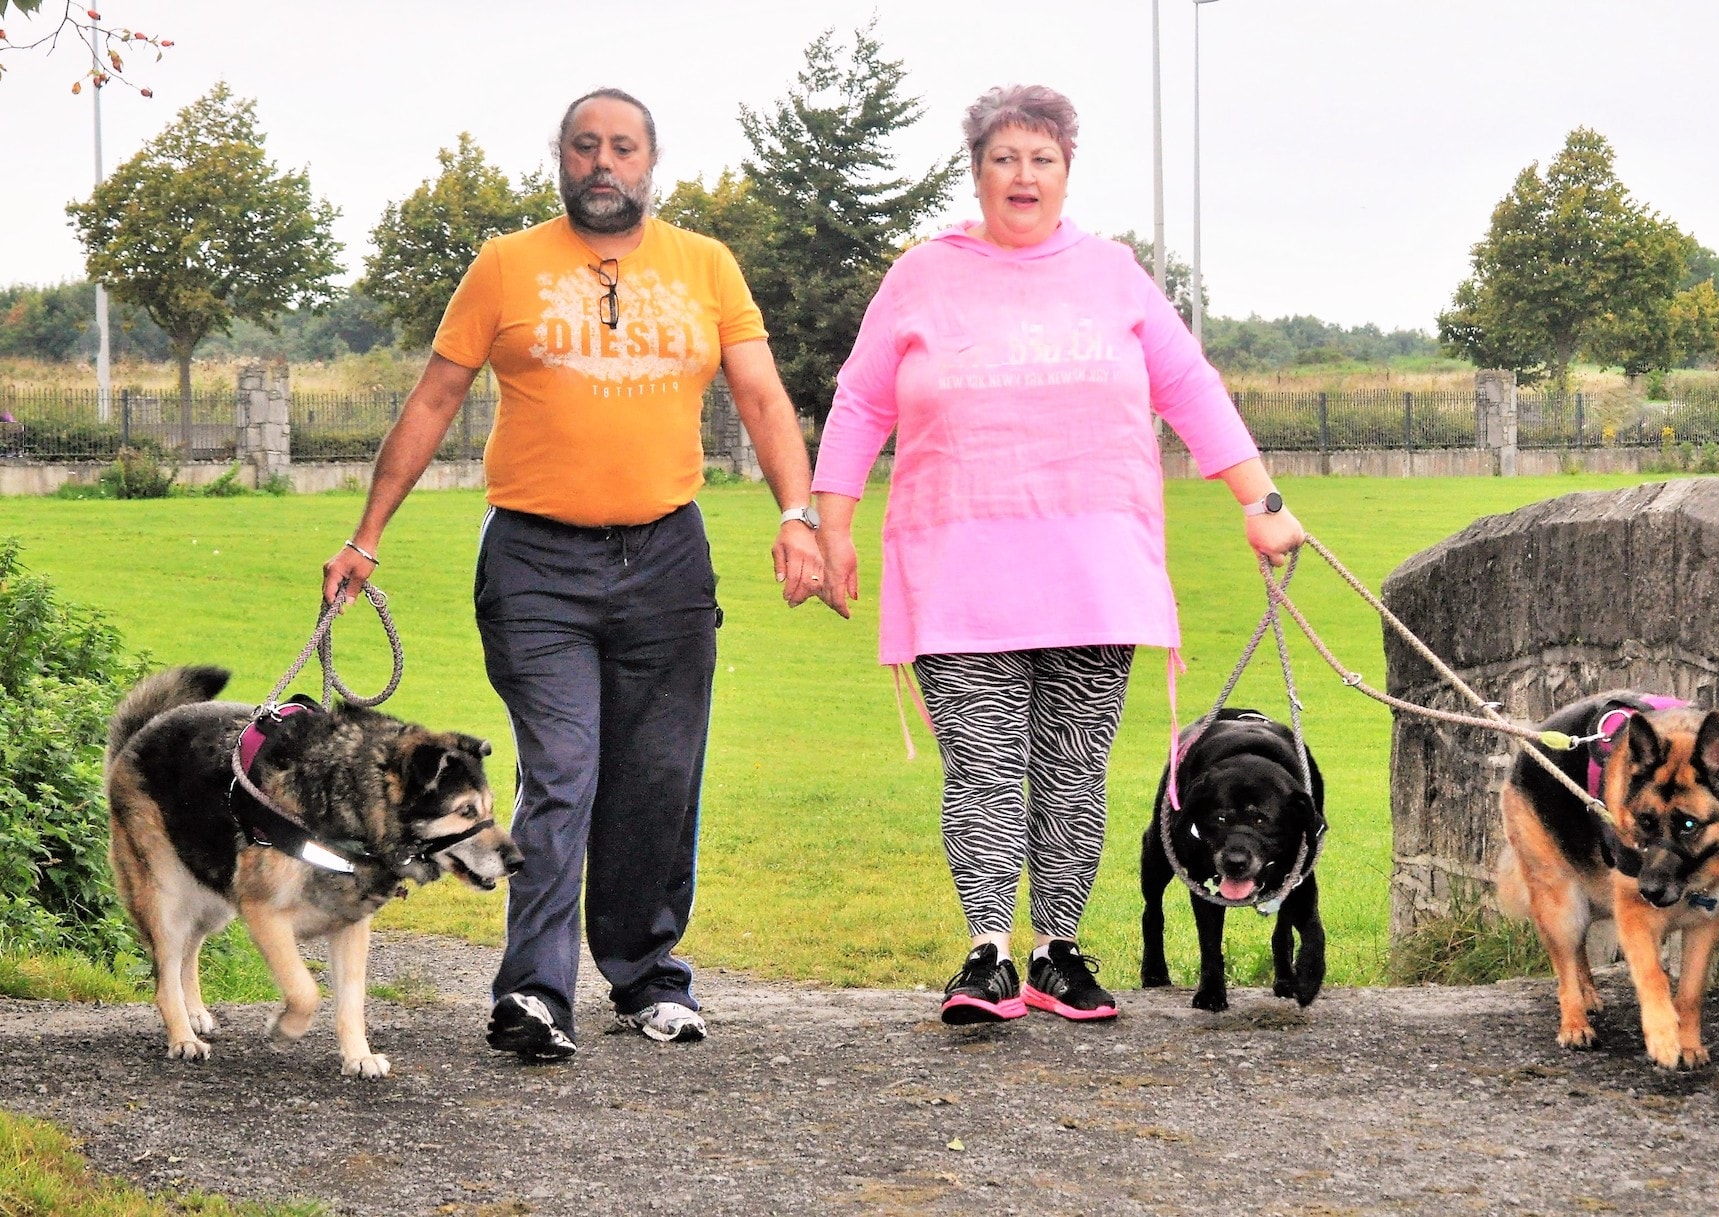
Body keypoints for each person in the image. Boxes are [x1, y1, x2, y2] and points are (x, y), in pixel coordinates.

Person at [321, 87, 822, 1060]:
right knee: (564, 771)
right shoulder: (505, 267)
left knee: (658, 779)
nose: (603, 160)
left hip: (666, 560)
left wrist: (796, 517)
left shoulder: (706, 267)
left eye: (622, 146)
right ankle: (533, 991)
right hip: (535, 564)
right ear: (562, 158)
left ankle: (645, 975)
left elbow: (761, 396)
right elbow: (432, 403)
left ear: (649, 160)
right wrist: (366, 533)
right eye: (585, 145)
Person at [809, 84, 1304, 1025]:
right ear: (978, 172)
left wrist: (1260, 500)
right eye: (1005, 158)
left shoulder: (1113, 273)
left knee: (1074, 767)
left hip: (1095, 571)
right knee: (987, 769)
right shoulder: (922, 275)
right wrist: (830, 527)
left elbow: (1189, 386)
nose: (1022, 175)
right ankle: (988, 951)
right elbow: (861, 402)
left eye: (1042, 159)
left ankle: (1059, 950)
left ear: (1067, 172)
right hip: (958, 570)